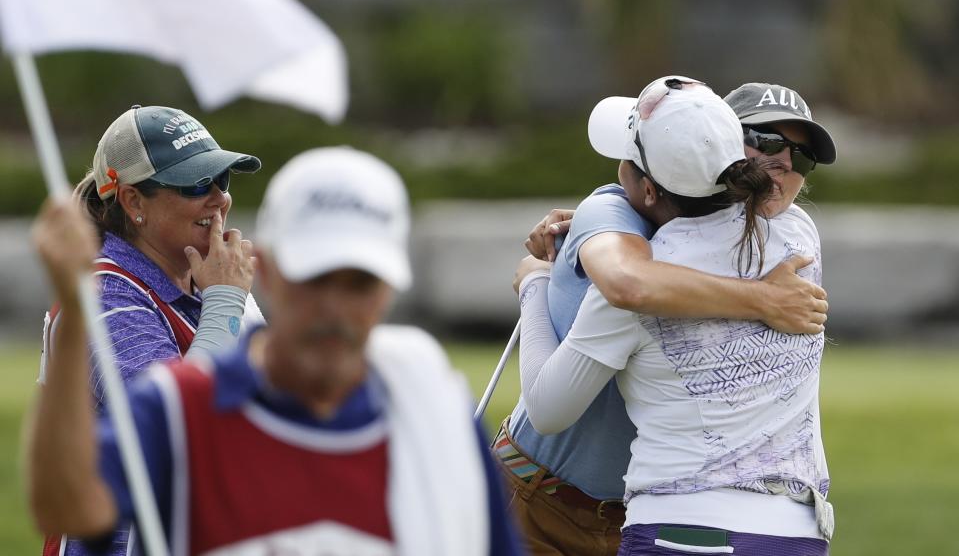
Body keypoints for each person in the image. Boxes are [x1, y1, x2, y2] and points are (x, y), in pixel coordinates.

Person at [27, 147, 524, 555]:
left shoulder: (433, 400)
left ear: (392, 288)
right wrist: (74, 314)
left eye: (360, 283)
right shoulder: (173, 402)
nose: (334, 308)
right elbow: (66, 505)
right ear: (264, 271)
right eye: (314, 278)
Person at [496, 79, 835, 556]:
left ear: (650, 189)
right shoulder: (799, 239)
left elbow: (626, 288)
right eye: (765, 142)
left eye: (798, 157)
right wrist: (760, 297)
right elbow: (628, 270)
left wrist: (532, 281)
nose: (782, 164)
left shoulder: (638, 264)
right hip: (789, 531)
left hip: (664, 521)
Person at [37, 105, 264, 556]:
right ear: (132, 201)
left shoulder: (208, 277)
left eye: (223, 180)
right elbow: (176, 435)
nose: (218, 198)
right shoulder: (103, 295)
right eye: (196, 183)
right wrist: (226, 304)